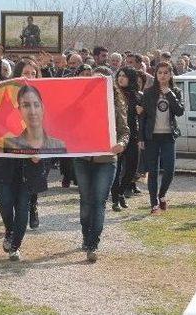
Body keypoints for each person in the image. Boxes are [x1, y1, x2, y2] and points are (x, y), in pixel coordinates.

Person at [74, 69, 130, 262]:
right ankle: (85, 234)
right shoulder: (80, 103)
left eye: (102, 80)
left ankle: (92, 243)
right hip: (82, 159)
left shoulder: (116, 104)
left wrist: (121, 144)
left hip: (106, 161)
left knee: (99, 202)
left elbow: (124, 131)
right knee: (85, 201)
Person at [138, 61, 184, 215]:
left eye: (166, 72)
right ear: (156, 75)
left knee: (170, 170)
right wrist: (141, 138)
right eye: (160, 73)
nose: (162, 75)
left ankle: (162, 194)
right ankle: (153, 203)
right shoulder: (149, 92)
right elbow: (143, 117)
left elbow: (179, 111)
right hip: (152, 137)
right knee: (153, 170)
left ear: (170, 74)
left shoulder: (176, 91)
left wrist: (169, 93)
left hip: (168, 136)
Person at [0, 154, 49, 261]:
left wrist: (41, 155)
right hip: (5, 165)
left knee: (22, 207)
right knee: (5, 204)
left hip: (27, 169)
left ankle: (15, 246)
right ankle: (10, 231)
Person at [11, 59, 44, 229]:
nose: (30, 76)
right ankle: (19, 209)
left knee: (34, 173)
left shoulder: (41, 92)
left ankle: (33, 205)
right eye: (26, 73)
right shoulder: (9, 91)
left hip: (35, 139)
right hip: (17, 139)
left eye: (33, 73)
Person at [110, 67, 141, 212]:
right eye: (119, 76)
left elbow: (144, 118)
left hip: (133, 135)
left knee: (132, 168)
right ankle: (115, 198)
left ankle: (121, 191)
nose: (121, 78)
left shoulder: (137, 96)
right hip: (117, 136)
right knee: (116, 169)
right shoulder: (113, 95)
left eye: (124, 76)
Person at [4, 86, 67, 154]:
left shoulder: (58, 146)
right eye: (26, 106)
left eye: (36, 105)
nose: (32, 112)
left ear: (42, 108)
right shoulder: (10, 145)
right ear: (20, 110)